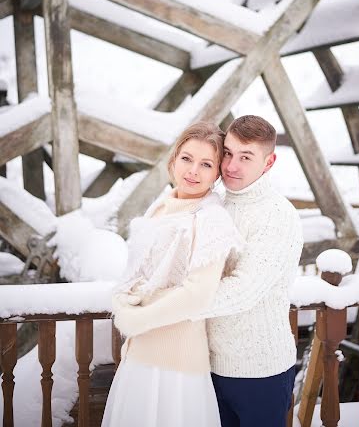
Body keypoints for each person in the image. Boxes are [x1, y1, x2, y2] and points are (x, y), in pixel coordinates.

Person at [101, 121, 244, 427]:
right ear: (174, 159)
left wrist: (135, 320)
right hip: (138, 357)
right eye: (187, 159)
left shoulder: (211, 219)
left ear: (217, 173)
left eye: (206, 164)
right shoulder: (161, 208)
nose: (193, 171)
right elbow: (138, 274)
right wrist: (123, 302)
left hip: (175, 366)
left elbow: (197, 296)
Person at [200, 115, 304, 427]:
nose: (231, 166)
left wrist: (175, 302)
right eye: (228, 153)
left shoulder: (277, 215)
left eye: (246, 157)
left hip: (260, 372)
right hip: (210, 364)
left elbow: (243, 291)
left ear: (269, 162)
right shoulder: (216, 204)